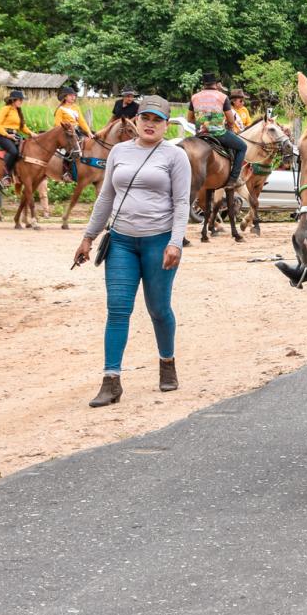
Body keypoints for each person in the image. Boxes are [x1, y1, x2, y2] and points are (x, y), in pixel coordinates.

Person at [74, 95, 192, 408]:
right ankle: (111, 380)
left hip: (159, 242)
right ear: (136, 121)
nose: (150, 124)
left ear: (166, 124)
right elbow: (106, 197)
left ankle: (167, 361)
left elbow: (182, 203)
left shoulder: (175, 156)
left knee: (158, 308)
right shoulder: (120, 153)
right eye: (146, 119)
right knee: (117, 308)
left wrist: (175, 242)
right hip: (121, 242)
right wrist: (88, 237)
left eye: (158, 120)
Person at [189, 73, 246, 189]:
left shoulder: (194, 97)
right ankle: (233, 179)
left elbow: (189, 118)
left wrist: (202, 124)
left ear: (203, 84)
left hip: (200, 134)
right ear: (216, 84)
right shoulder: (222, 97)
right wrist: (226, 126)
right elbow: (230, 120)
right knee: (242, 147)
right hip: (218, 134)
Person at [52, 85, 92, 181]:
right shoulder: (60, 109)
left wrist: (89, 132)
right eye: (71, 95)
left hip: (77, 131)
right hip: (66, 132)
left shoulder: (76, 108)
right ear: (65, 97)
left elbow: (82, 121)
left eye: (74, 95)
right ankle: (66, 171)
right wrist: (67, 130)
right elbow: (57, 124)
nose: (73, 97)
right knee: (68, 150)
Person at [0, 88, 33, 181]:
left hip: (14, 135)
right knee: (14, 151)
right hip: (3, 136)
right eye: (20, 100)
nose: (21, 102)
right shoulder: (6, 109)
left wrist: (32, 133)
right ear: (13, 100)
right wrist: (7, 135)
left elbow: (22, 127)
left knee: (25, 151)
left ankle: (18, 173)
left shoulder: (18, 111)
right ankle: (5, 173)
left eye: (22, 100)